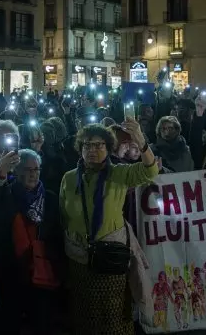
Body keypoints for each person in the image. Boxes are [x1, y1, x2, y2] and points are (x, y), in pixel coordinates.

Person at [60, 120, 157, 334]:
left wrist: (140, 140)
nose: (92, 150)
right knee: (85, 314)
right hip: (79, 260)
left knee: (113, 314)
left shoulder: (119, 174)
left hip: (110, 258)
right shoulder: (68, 179)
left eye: (98, 145)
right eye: (87, 145)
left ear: (108, 147)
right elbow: (64, 216)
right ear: (80, 148)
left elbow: (150, 172)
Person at [0, 149, 63, 334]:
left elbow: (58, 234)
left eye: (36, 169)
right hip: (12, 271)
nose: (33, 174)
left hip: (42, 274)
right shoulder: (5, 195)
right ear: (16, 172)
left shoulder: (49, 198)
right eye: (28, 169)